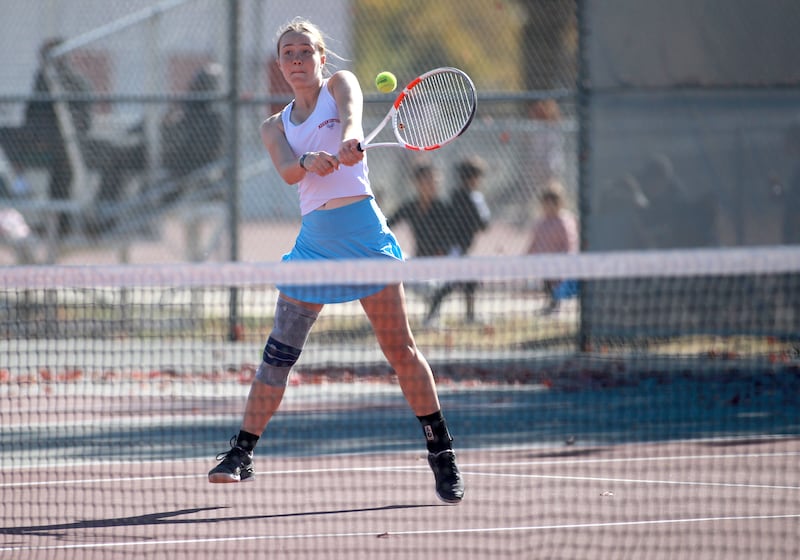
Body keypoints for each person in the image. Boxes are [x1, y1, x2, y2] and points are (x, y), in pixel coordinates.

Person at [207, 18, 464, 504]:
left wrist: (347, 141)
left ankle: (442, 454)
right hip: (314, 249)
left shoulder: (340, 85)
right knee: (277, 357)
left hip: (366, 241)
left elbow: (350, 118)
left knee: (401, 352)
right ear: (280, 64)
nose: (298, 60)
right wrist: (308, 162)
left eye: (306, 51)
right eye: (288, 53)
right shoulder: (272, 125)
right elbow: (286, 170)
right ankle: (241, 454)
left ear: (323, 58)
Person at [0, 38, 92, 235]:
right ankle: (18, 188)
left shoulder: (68, 80)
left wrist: (40, 139)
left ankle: (59, 228)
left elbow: (81, 121)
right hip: (46, 143)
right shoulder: (44, 77)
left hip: (61, 145)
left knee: (61, 183)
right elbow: (32, 114)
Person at [423, 156, 491, 326]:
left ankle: (469, 316)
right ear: (474, 178)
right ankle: (431, 315)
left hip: (457, 246)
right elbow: (484, 223)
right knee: (450, 283)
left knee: (470, 279)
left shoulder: (454, 196)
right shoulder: (474, 198)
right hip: (457, 248)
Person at [158, 62, 225, 203]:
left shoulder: (215, 113)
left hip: (195, 162)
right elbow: (172, 126)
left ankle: (162, 201)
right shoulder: (189, 106)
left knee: (174, 180)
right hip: (182, 159)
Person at [526, 180, 579, 313]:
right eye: (545, 204)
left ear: (559, 203)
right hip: (544, 262)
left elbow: (570, 241)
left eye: (551, 204)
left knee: (558, 285)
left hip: (559, 263)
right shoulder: (541, 222)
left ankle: (555, 305)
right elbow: (534, 241)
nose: (548, 208)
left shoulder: (565, 221)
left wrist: (567, 258)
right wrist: (527, 256)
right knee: (548, 284)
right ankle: (550, 304)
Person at [386, 162, 452, 258]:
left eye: (436, 182)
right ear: (417, 182)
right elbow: (388, 223)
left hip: (443, 258)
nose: (433, 185)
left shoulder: (444, 208)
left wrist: (442, 252)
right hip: (420, 256)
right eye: (428, 180)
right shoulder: (410, 207)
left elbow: (451, 238)